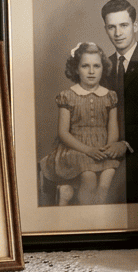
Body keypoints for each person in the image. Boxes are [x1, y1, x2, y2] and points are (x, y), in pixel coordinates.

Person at [39, 42, 125, 206]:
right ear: (76, 69)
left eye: (96, 66)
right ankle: (84, 214)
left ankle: (97, 215)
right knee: (89, 177)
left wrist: (109, 148)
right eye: (85, 66)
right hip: (76, 149)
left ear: (103, 68)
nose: (91, 71)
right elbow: (63, 133)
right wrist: (88, 150)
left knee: (107, 177)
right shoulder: (68, 96)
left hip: (102, 149)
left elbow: (113, 128)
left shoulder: (110, 96)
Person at [100, 0, 138, 205]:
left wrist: (126, 143)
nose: (118, 33)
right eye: (111, 27)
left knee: (121, 189)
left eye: (124, 25)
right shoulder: (102, 67)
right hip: (108, 145)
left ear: (135, 26)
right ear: (106, 29)